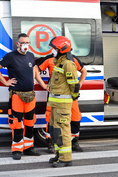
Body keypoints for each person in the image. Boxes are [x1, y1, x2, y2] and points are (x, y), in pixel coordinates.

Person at [0, 33, 46, 160]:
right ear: (18, 44)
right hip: (17, 96)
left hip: (30, 96)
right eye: (23, 43)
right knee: (16, 123)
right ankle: (17, 150)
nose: (25, 45)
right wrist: (5, 82)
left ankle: (28, 148)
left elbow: (34, 70)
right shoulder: (11, 56)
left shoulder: (31, 56)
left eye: (27, 43)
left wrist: (41, 83)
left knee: (30, 122)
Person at [37, 52, 87, 153]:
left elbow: (84, 71)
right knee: (51, 118)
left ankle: (74, 142)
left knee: (75, 117)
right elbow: (35, 69)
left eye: (55, 47)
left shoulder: (72, 59)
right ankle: (51, 142)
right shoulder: (50, 58)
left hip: (70, 95)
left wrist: (78, 86)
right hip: (54, 96)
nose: (54, 50)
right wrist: (43, 85)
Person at [47, 36, 80, 167]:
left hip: (63, 105)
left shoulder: (68, 64)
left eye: (54, 48)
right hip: (55, 104)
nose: (52, 50)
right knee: (55, 130)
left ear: (61, 49)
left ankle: (66, 159)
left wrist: (73, 96)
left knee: (63, 131)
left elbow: (74, 85)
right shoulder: (58, 62)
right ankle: (58, 155)